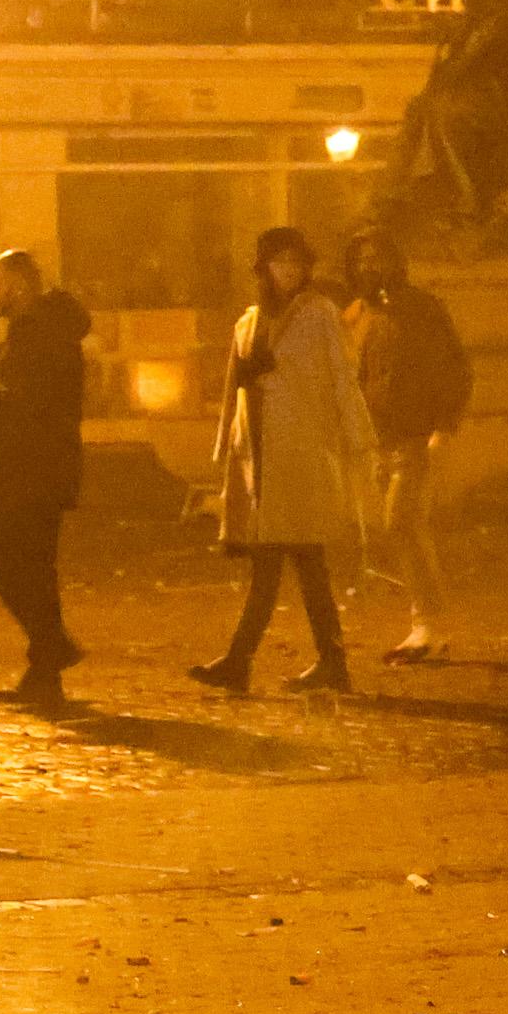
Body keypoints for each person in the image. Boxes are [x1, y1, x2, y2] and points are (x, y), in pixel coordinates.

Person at [190, 226, 374, 698]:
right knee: (295, 565)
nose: (289, 270)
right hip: (262, 459)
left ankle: (246, 660)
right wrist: (224, 451)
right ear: (264, 267)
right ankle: (325, 661)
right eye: (280, 261)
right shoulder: (248, 322)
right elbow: (233, 390)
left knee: (284, 564)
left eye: (297, 261)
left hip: (301, 455)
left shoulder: (320, 315)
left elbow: (341, 378)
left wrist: (358, 441)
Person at [0, 248, 89, 707]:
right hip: (34, 467)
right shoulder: (37, 333)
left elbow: (35, 406)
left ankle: (52, 646)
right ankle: (46, 669)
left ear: (18, 286)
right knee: (34, 566)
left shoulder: (42, 337)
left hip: (33, 469)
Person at [344, 229, 472, 662]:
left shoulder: (421, 309)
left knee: (402, 523)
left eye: (376, 257)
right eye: (361, 259)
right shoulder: (358, 315)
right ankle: (426, 624)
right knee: (401, 529)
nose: (368, 266)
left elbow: (453, 367)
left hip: (416, 437)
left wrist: (445, 426)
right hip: (380, 441)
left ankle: (428, 625)